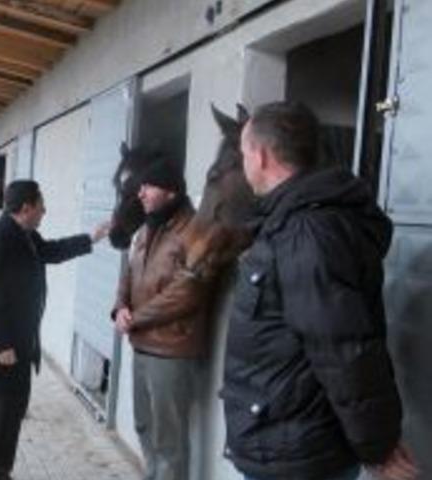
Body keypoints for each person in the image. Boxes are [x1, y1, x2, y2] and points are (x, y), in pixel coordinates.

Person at [222, 102, 419, 480]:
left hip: (295, 456)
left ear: (261, 156)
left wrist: (378, 447)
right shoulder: (292, 222)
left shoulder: (305, 232)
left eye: (244, 152)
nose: (244, 163)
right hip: (286, 441)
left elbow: (343, 349)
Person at [0, 180, 110, 480]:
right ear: (26, 208)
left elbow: (52, 251)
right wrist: (0, 345)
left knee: (10, 418)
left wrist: (91, 238)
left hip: (19, 350)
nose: (44, 211)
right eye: (41, 205)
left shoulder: (25, 235)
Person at [112, 148, 230, 480]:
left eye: (148, 186)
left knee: (170, 442)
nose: (140, 193)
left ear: (171, 191)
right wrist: (120, 307)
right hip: (142, 345)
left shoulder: (195, 229)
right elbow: (130, 273)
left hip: (172, 350)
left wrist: (137, 317)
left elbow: (189, 290)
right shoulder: (147, 228)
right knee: (143, 426)